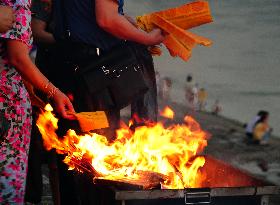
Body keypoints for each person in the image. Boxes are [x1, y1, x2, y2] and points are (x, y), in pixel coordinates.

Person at [50, 0, 165, 204]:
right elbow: (106, 20)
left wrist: (123, 21)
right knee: (97, 159)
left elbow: (84, 16)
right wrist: (146, 39)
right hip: (92, 72)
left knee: (74, 154)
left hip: (65, 63)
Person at [0, 0, 75, 204]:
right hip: (6, 109)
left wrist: (29, 87)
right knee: (7, 187)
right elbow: (18, 58)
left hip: (10, 100)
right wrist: (55, 92)